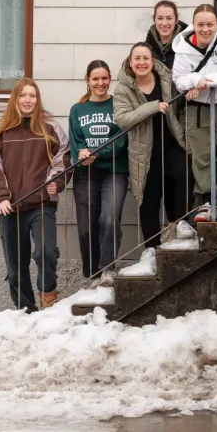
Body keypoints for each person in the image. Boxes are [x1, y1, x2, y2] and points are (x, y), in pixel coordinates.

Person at [0, 78, 70, 311]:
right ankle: (26, 310)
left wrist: (56, 182)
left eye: (32, 95)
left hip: (42, 205)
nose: (28, 100)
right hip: (10, 208)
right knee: (15, 266)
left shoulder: (50, 127)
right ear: (15, 99)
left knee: (46, 252)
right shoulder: (1, 129)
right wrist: (1, 197)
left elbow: (64, 156)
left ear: (37, 99)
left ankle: (48, 295)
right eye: (23, 95)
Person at [114, 42, 190, 255]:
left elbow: (182, 104)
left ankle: (179, 225)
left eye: (145, 58)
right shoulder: (123, 88)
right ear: (130, 62)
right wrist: (153, 106)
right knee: (149, 199)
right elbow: (123, 119)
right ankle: (151, 249)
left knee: (183, 177)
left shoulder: (166, 78)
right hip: (144, 152)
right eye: (137, 59)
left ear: (152, 61)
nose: (141, 63)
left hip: (172, 142)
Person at [173, 4, 217, 221]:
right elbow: (179, 80)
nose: (205, 29)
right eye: (200, 24)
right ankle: (206, 201)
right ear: (193, 25)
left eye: (210, 24)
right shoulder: (183, 47)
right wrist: (196, 80)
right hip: (198, 109)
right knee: (201, 155)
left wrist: (203, 84)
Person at [68, 60, 129, 287]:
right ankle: (93, 274)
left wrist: (96, 153)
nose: (100, 83)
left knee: (109, 218)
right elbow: (75, 143)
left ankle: (107, 269)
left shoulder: (118, 105)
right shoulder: (77, 110)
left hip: (114, 172)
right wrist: (83, 154)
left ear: (109, 79)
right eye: (95, 79)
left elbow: (122, 141)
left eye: (104, 78)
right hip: (86, 175)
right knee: (86, 227)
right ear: (88, 81)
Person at [145, 0, 188, 69]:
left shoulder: (187, 45)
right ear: (154, 20)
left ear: (176, 20)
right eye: (160, 18)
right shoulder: (147, 47)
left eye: (169, 18)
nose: (164, 23)